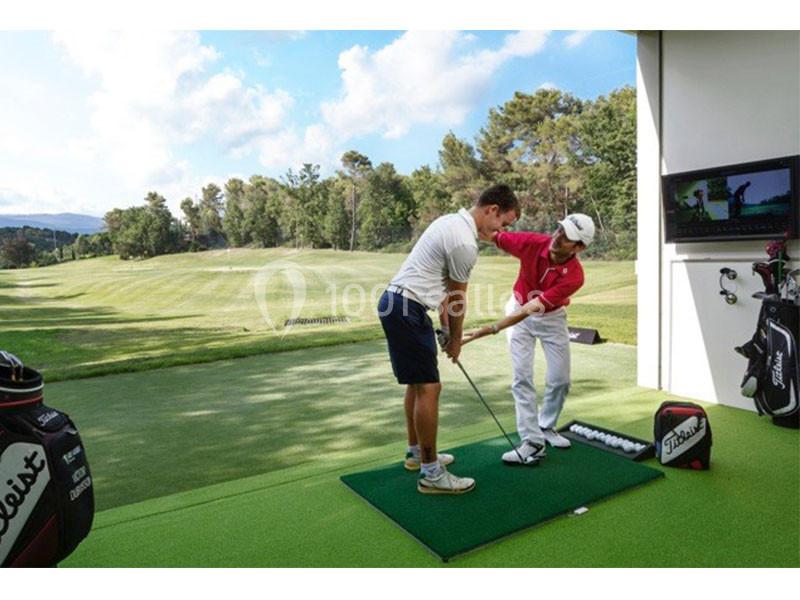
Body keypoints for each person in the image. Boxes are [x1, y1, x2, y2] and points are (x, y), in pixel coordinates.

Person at [377, 184, 520, 494]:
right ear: (491, 210)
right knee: (430, 386)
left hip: (397, 304)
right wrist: (455, 339)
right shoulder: (464, 244)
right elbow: (457, 299)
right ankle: (431, 472)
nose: (500, 231)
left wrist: (443, 328)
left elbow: (443, 293)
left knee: (419, 383)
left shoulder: (449, 222)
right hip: (406, 308)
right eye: (503, 223)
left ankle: (417, 454)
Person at [462, 214, 595, 464]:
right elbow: (494, 236)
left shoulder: (574, 276)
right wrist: (464, 226)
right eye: (559, 230)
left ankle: (546, 426)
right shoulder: (533, 243)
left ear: (580, 248)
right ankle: (532, 442)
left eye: (568, 238)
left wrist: (493, 327)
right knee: (522, 377)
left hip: (550, 318)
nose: (558, 238)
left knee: (560, 380)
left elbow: (532, 309)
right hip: (518, 307)